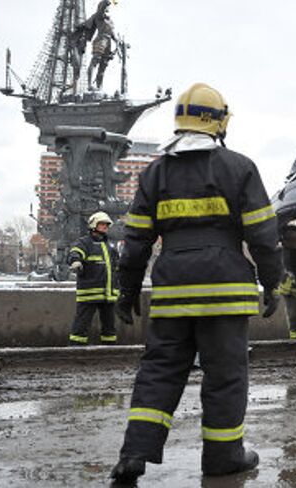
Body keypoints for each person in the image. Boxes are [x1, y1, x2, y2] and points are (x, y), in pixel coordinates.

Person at [109, 83, 282, 483]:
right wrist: (274, 283)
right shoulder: (239, 168)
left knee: (159, 372)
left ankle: (134, 455)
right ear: (219, 121)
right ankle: (223, 457)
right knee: (225, 376)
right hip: (225, 293)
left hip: (172, 291)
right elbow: (263, 236)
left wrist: (127, 292)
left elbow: (134, 242)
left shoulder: (154, 172)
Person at [67, 211, 119, 345]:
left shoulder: (110, 245)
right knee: (81, 324)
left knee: (110, 326)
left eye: (107, 224)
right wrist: (75, 261)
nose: (105, 226)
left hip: (108, 294)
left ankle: (110, 351)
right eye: (102, 224)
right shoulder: (85, 242)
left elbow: (117, 266)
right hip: (89, 293)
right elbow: (75, 252)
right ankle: (75, 350)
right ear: (94, 225)